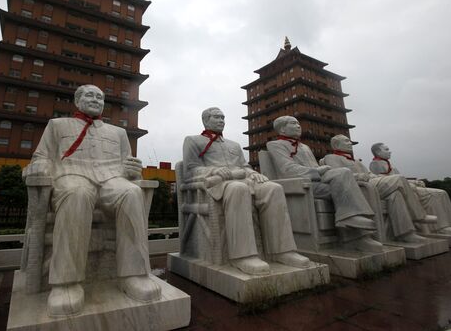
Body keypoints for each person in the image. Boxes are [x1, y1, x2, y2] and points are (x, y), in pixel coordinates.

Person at [24, 84, 160, 316]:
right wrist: (39, 166)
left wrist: (134, 171)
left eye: (100, 97)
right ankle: (66, 282)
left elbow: (128, 166)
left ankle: (134, 274)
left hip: (111, 179)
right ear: (77, 100)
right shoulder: (57, 126)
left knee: (132, 193)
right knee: (77, 194)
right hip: (72, 175)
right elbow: (42, 157)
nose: (96, 99)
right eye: (90, 95)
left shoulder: (118, 132)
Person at [182, 107, 310, 275]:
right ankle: (242, 256)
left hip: (244, 178)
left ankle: (281, 251)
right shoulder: (193, 141)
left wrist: (254, 174)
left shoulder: (233, 145)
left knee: (273, 188)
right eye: (216, 117)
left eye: (223, 117)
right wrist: (212, 171)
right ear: (205, 120)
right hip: (217, 184)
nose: (221, 120)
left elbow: (244, 166)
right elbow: (190, 170)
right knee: (238, 189)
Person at [266, 117, 382, 252]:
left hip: (318, 179)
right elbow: (287, 169)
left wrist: (322, 170)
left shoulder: (305, 147)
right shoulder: (275, 145)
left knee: (344, 173)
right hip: (303, 182)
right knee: (343, 181)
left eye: (298, 123)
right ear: (282, 129)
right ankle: (354, 228)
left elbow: (316, 167)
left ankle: (354, 228)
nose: (299, 126)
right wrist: (317, 171)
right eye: (293, 123)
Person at [323, 135, 432, 242]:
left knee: (395, 194)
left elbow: (370, 174)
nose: (350, 143)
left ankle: (406, 233)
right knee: (399, 179)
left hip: (372, 182)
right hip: (359, 186)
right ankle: (419, 216)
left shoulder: (356, 161)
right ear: (336, 144)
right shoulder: (331, 158)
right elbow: (338, 175)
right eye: (346, 141)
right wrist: (358, 176)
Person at [370, 143, 451, 235]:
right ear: (378, 152)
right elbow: (387, 181)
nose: (389, 151)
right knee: (433, 195)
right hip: (401, 190)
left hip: (407, 187)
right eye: (386, 149)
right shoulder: (376, 164)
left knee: (442, 193)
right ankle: (440, 227)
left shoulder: (389, 165)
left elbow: (401, 180)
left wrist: (415, 182)